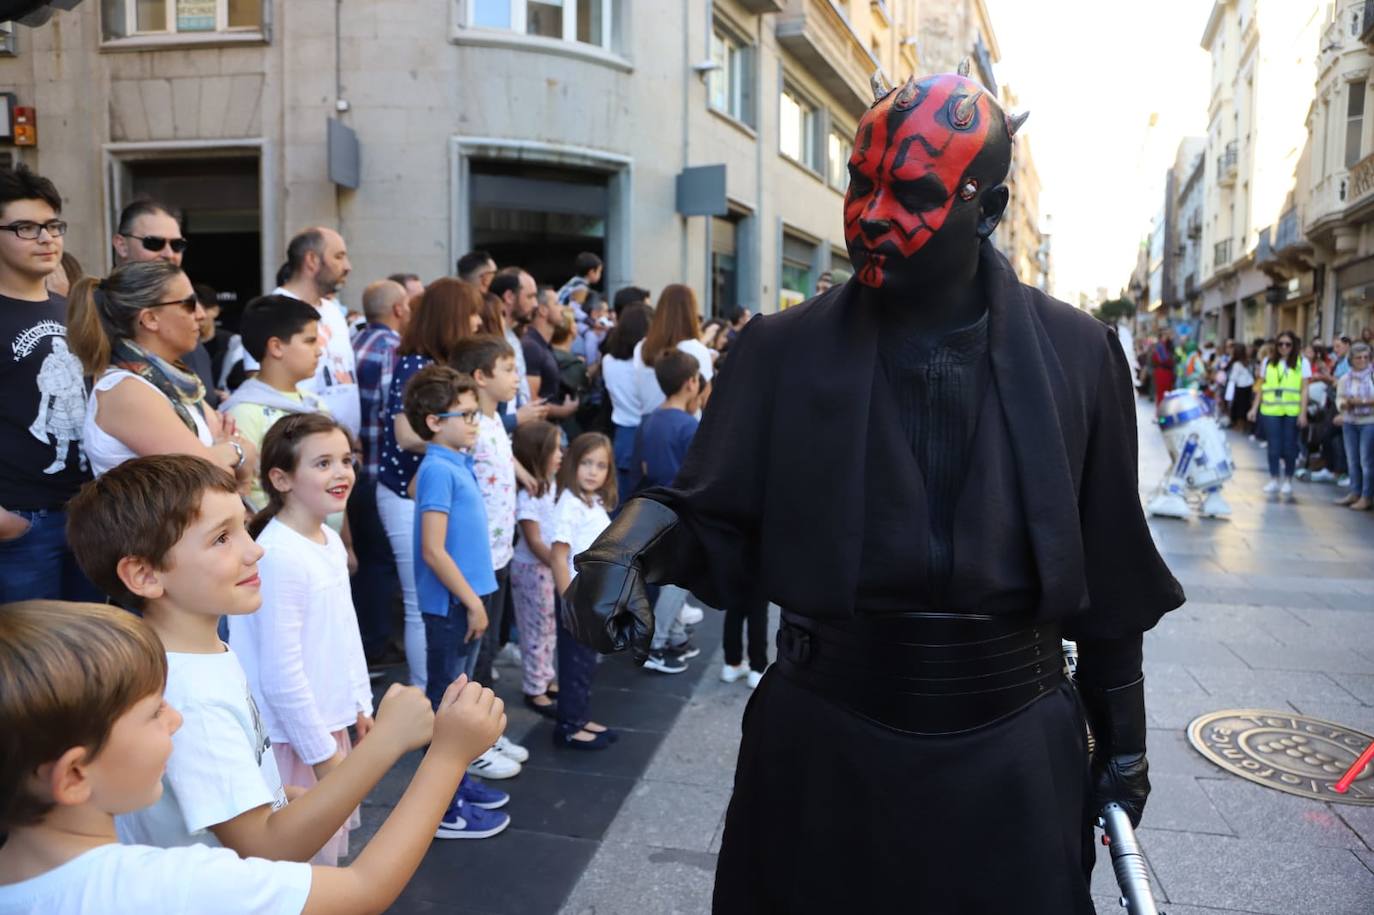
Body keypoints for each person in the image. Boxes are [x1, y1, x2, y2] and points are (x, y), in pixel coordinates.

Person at [564, 68, 1183, 912]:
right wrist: (629, 545)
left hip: (1013, 759)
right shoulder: (776, 349)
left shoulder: (1079, 353)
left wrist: (1125, 742)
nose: (871, 215)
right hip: (823, 752)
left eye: (915, 193)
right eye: (861, 184)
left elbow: (1110, 570)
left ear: (989, 209)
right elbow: (711, 513)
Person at [0, 598, 506, 915]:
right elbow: (364, 889)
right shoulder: (164, 887)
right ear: (74, 776)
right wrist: (447, 756)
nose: (175, 720)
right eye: (155, 713)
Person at [65, 453, 435, 861]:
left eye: (243, 527)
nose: (254, 550)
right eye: (222, 538)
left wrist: (276, 797)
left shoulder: (197, 656)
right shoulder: (190, 697)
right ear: (145, 575)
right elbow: (265, 845)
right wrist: (387, 741)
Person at [229, 413, 372, 866]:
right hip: (294, 740)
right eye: (323, 463)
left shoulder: (328, 539)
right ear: (281, 479)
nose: (341, 473)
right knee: (297, 863)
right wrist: (323, 757)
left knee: (323, 855)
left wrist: (360, 702)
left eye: (346, 460)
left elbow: (345, 627)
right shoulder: (280, 556)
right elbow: (280, 674)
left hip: (327, 720)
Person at [403, 364, 514, 838]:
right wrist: (472, 601)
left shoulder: (450, 462)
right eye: (465, 415)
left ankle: (457, 784)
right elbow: (433, 549)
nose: (474, 423)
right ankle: (443, 808)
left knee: (459, 698)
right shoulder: (438, 469)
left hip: (464, 601)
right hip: (452, 605)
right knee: (446, 706)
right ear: (434, 422)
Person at [375, 278, 489, 689]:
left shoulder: (446, 462)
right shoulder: (416, 366)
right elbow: (405, 435)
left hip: (427, 487)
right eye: (471, 313)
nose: (477, 321)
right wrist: (447, 446)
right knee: (423, 609)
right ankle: (428, 698)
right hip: (408, 491)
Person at [0, 164, 102, 604]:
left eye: (53, 225)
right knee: (33, 648)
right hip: (22, 524)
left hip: (87, 516)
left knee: (92, 642)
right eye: (26, 228)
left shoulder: (70, 310)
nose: (46, 238)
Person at [67, 260, 254, 486]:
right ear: (150, 319)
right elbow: (206, 477)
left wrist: (228, 454)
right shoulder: (126, 391)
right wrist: (236, 450)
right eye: (189, 304)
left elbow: (247, 458)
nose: (201, 314)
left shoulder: (175, 381)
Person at [449, 336, 529, 777]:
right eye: (508, 369)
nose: (516, 377)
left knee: (489, 647)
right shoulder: (471, 427)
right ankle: (472, 743)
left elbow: (502, 459)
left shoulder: (495, 420)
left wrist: (523, 474)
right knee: (473, 654)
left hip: (500, 552)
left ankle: (487, 731)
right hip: (476, 559)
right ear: (480, 377)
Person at [244, 228, 360, 437]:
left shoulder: (333, 311)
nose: (347, 266)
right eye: (338, 256)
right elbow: (262, 390)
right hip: (297, 443)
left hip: (341, 443)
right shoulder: (272, 313)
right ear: (312, 260)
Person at [351, 279, 411, 667]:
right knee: (378, 563)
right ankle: (374, 645)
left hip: (351, 469)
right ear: (398, 309)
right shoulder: (392, 348)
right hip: (376, 472)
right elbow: (394, 415)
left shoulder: (354, 341)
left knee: (361, 561)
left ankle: (365, 640)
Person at [634, 350, 705, 675]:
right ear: (691, 383)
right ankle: (657, 643)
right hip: (682, 512)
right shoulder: (689, 425)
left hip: (655, 506)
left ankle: (674, 635)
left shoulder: (649, 420)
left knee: (670, 578)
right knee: (679, 580)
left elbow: (644, 467)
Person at [220, 295, 326, 510]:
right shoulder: (243, 413)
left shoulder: (315, 404)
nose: (319, 350)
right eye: (310, 341)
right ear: (276, 347)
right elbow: (245, 494)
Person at [550, 432, 620, 750]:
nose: (593, 471)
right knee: (575, 664)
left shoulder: (591, 501)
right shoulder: (570, 505)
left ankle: (580, 717)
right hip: (576, 600)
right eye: (587, 463)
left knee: (587, 664)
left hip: (593, 599)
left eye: (600, 465)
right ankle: (569, 726)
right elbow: (558, 557)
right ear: (573, 464)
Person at [510, 421, 564, 717]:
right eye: (555, 449)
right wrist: (556, 563)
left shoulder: (548, 485)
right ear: (538, 453)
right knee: (535, 629)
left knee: (548, 627)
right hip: (533, 570)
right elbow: (533, 540)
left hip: (547, 568)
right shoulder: (529, 494)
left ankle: (544, 677)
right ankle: (534, 687)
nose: (561, 454)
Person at [633, 285, 715, 419]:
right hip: (685, 423)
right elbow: (706, 400)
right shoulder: (697, 349)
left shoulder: (642, 347)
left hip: (648, 421)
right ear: (691, 312)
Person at [1248, 329, 1310, 500]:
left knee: (1290, 446)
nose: (1284, 347)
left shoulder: (1302, 362)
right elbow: (1262, 386)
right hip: (1270, 410)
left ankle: (1288, 479)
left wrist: (1303, 413)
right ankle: (1274, 478)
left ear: (1293, 345)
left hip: (1292, 411)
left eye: (1288, 344)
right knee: (1273, 446)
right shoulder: (1268, 362)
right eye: (1280, 344)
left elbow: (1305, 389)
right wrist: (1254, 408)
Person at [600, 304, 651, 495]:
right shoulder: (647, 366)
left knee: (620, 501)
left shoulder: (608, 361)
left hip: (622, 436)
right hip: (646, 431)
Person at [490, 267, 544, 433]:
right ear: (509, 297)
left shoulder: (513, 336)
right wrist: (518, 418)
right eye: (530, 296)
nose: (535, 304)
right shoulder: (493, 342)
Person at [523, 286, 580, 425]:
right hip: (539, 429)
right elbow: (531, 401)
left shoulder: (542, 344)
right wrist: (563, 411)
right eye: (557, 303)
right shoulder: (531, 347)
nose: (562, 309)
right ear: (543, 310)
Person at [1335, 341, 1374, 510]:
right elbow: (1340, 398)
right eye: (1359, 357)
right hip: (1350, 422)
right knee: (1352, 460)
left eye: (1366, 357)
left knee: (1366, 461)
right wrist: (1344, 405)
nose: (1363, 360)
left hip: (1369, 421)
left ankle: (1367, 496)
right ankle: (1355, 492)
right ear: (1352, 360)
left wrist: (1362, 402)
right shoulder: (1345, 379)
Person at [1149, 333, 1175, 407]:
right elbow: (1159, 359)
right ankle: (1162, 409)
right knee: (1163, 394)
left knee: (1164, 393)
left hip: (1164, 372)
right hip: (1163, 372)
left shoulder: (1165, 347)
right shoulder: (1161, 347)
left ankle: (1162, 409)